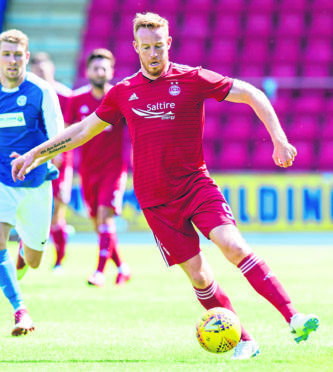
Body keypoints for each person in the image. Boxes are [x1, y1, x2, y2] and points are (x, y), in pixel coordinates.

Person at [11, 13, 319, 357]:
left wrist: (278, 138)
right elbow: (82, 130)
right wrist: (36, 154)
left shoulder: (193, 78)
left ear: (168, 43)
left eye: (159, 46)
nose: (153, 54)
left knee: (232, 246)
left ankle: (294, 316)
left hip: (195, 185)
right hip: (156, 200)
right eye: (146, 48)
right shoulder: (123, 92)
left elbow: (250, 92)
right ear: (136, 48)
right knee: (200, 277)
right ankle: (244, 341)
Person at [0, 29, 64, 335]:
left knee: (35, 261)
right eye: (5, 54)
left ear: (26, 57)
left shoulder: (41, 92)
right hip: (1, 182)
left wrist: (33, 158)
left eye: (17, 55)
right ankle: (21, 312)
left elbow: (60, 140)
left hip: (37, 184)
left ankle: (25, 252)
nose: (11, 61)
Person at [64, 49, 130, 287]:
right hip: (88, 172)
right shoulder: (76, 100)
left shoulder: (119, 97)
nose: (100, 72)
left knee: (104, 217)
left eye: (104, 68)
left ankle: (99, 272)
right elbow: (67, 131)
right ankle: (122, 268)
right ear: (88, 71)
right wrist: (60, 157)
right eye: (96, 68)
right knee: (98, 224)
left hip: (113, 169)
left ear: (111, 72)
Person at [23, 52, 72, 272]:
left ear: (52, 69)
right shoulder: (29, 94)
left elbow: (75, 128)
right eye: (37, 70)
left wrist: (60, 153)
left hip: (61, 160)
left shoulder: (65, 95)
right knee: (31, 209)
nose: (41, 72)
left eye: (45, 69)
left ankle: (59, 260)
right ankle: (25, 254)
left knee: (57, 210)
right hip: (35, 160)